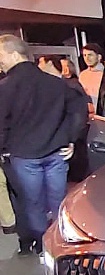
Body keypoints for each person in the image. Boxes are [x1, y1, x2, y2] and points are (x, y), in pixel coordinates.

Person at [0, 35, 88, 256]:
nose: (0, 63)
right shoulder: (56, 83)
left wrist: (3, 150)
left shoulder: (5, 88)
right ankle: (60, 241)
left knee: (33, 203)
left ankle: (43, 246)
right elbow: (78, 111)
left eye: (1, 57)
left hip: (23, 156)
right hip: (57, 152)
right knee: (58, 200)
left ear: (14, 54)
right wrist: (71, 138)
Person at [38, 55, 92, 183]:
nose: (38, 66)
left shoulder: (70, 86)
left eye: (40, 62)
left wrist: (71, 140)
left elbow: (80, 114)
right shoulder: (47, 87)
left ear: (50, 64)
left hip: (68, 148)